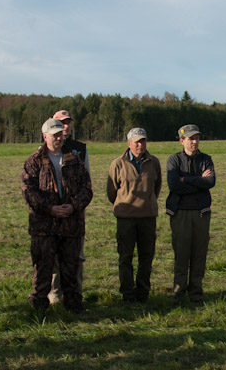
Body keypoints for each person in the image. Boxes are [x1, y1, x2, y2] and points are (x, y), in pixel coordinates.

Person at [22, 118, 93, 315]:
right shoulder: (34, 162)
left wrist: (72, 207)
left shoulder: (74, 160)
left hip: (71, 226)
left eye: (61, 134)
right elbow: (29, 193)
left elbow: (86, 189)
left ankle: (74, 306)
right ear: (45, 136)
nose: (59, 138)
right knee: (43, 269)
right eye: (55, 135)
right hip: (44, 228)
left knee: (71, 269)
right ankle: (38, 309)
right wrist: (50, 209)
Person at [106, 128, 161, 305]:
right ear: (129, 143)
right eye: (136, 141)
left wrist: (148, 203)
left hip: (147, 218)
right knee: (125, 257)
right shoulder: (118, 164)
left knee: (147, 257)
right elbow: (111, 192)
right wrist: (125, 204)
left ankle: (143, 292)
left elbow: (156, 187)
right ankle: (128, 293)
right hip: (126, 219)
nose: (140, 144)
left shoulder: (154, 162)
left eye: (143, 141)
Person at [166, 124, 215, 306]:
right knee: (181, 254)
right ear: (182, 140)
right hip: (180, 214)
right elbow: (174, 186)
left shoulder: (206, 159)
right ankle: (178, 294)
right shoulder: (173, 160)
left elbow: (210, 181)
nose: (194, 141)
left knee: (199, 254)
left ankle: (196, 294)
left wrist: (185, 179)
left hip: (201, 213)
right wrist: (199, 181)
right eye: (190, 138)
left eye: (197, 138)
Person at [49, 109, 87, 305]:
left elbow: (85, 183)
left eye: (68, 123)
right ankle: (55, 294)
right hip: (52, 213)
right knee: (54, 255)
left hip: (75, 212)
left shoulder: (79, 149)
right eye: (61, 123)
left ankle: (75, 293)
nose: (65, 127)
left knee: (76, 256)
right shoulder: (43, 151)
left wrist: (75, 206)